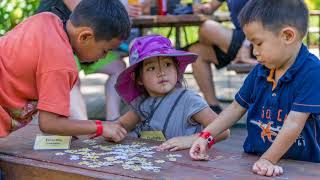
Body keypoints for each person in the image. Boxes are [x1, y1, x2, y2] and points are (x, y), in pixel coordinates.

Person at [190, 0, 320, 177]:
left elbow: (294, 122)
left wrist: (269, 159)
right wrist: (206, 136)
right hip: (255, 161)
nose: (254, 51)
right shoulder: (261, 70)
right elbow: (236, 108)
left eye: (258, 43)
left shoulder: (312, 72)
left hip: (301, 167)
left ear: (288, 36)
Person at [0, 0, 130, 140]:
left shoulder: (46, 18)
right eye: (105, 50)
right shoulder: (61, 64)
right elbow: (49, 124)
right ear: (85, 37)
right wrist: (100, 126)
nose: (104, 56)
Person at [36, 0, 151, 121]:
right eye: (105, 52)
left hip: (88, 41)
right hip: (60, 40)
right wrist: (122, 10)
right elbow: (84, 11)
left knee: (118, 67)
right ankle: (81, 125)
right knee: (70, 76)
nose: (105, 55)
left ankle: (113, 120)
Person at [114, 35, 230, 151]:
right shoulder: (142, 103)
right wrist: (102, 128)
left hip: (187, 165)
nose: (162, 73)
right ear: (138, 78)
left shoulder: (189, 100)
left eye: (168, 64)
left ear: (177, 69)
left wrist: (192, 139)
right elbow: (120, 126)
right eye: (151, 68)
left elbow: (223, 131)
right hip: (151, 165)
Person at [189, 0, 257, 113]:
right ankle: (214, 110)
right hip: (242, 39)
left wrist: (246, 45)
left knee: (207, 27)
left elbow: (262, 15)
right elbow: (211, 6)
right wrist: (202, 7)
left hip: (258, 38)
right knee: (196, 52)